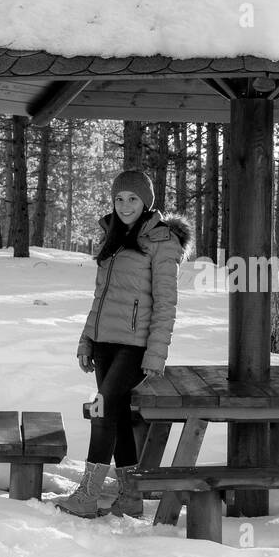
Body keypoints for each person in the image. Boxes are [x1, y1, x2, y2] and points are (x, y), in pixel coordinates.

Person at [59, 169, 193, 519]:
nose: (124, 205)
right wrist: (86, 339)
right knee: (115, 415)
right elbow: (99, 297)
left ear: (146, 201)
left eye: (132, 198)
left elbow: (166, 305)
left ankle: (87, 497)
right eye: (119, 198)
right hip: (104, 342)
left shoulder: (163, 242)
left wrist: (155, 354)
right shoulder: (112, 237)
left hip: (134, 346)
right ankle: (131, 497)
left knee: (102, 408)